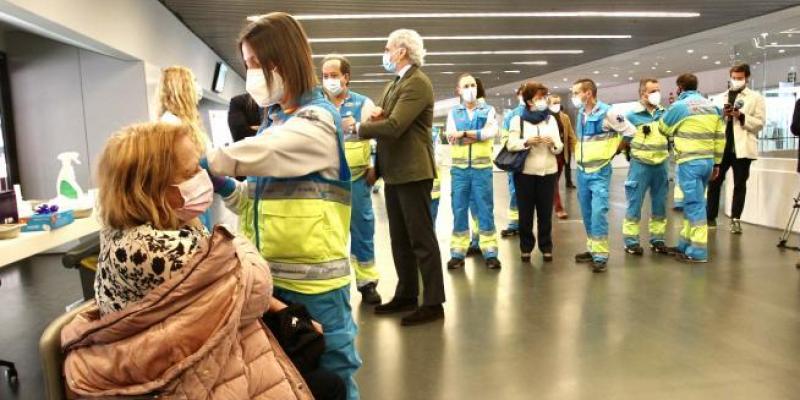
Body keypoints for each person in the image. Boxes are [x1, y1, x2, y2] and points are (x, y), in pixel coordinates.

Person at [62, 122, 344, 400]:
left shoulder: (150, 226)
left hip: (186, 352)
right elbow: (255, 289)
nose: (203, 177)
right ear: (151, 187)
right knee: (327, 385)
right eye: (191, 172)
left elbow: (236, 272)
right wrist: (239, 245)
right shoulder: (148, 250)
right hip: (172, 375)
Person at [205, 12, 361, 399]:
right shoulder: (272, 122)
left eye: (257, 63)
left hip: (316, 288)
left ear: (285, 59)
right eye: (247, 64)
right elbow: (252, 204)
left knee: (334, 380)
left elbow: (264, 151)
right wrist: (225, 185)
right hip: (272, 285)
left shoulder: (317, 120)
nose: (251, 73)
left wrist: (208, 159)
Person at [343, 28, 445, 326]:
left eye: (388, 49)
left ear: (401, 51)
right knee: (400, 239)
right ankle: (407, 294)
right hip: (395, 172)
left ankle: (433, 302)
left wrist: (357, 127)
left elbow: (395, 126)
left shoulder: (417, 83)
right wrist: (378, 166)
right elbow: (385, 120)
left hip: (414, 173)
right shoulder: (395, 84)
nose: (385, 54)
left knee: (421, 240)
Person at [321, 53, 382, 305]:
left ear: (346, 77)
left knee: (362, 231)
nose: (329, 80)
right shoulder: (316, 104)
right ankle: (333, 287)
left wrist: (376, 168)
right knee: (327, 234)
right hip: (324, 182)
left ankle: (367, 283)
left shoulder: (363, 103)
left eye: (334, 75)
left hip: (357, 180)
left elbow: (380, 135)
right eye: (325, 76)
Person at [571, 78, 637, 272]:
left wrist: (617, 149)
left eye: (576, 93)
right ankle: (592, 248)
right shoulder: (581, 113)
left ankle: (600, 255)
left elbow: (630, 131)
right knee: (587, 212)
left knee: (599, 211)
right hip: (582, 171)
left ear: (588, 93)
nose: (574, 97)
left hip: (599, 171)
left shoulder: (608, 112)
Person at [659, 73, 726, 263]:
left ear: (680, 87)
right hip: (707, 162)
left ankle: (698, 251)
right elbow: (720, 137)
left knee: (695, 205)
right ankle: (684, 244)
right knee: (692, 202)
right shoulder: (712, 106)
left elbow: (663, 128)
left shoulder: (679, 107)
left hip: (690, 162)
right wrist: (718, 163)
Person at [444, 73, 501, 270]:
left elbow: (490, 132)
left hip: (481, 169)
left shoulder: (488, 110)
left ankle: (490, 252)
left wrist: (466, 134)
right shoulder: (454, 113)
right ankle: (458, 252)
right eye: (466, 86)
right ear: (458, 91)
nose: (470, 89)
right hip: (459, 171)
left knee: (485, 209)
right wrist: (476, 136)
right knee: (459, 209)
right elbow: (451, 135)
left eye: (473, 85)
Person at [505, 82, 563, 263]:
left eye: (544, 97)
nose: (543, 101)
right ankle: (526, 247)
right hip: (525, 173)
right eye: (539, 97)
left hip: (548, 171)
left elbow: (560, 146)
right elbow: (510, 144)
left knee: (545, 213)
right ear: (529, 100)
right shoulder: (517, 120)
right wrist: (527, 141)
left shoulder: (551, 119)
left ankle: (546, 247)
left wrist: (552, 143)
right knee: (525, 213)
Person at [707, 63, 766, 234]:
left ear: (747, 78)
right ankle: (710, 217)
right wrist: (722, 115)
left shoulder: (756, 98)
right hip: (722, 147)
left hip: (742, 148)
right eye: (734, 77)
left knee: (740, 184)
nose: (737, 80)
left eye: (740, 78)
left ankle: (735, 219)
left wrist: (741, 116)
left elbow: (759, 124)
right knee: (715, 182)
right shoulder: (720, 97)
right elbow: (712, 121)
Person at [622, 78, 671, 255]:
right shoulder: (631, 115)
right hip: (640, 166)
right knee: (634, 203)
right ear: (643, 93)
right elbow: (624, 140)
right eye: (653, 91)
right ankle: (631, 241)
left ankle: (657, 239)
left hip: (661, 165)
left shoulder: (665, 113)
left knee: (660, 204)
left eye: (658, 90)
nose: (657, 93)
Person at [500, 84, 526, 238]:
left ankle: (525, 224)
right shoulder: (511, 116)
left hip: (533, 161)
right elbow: (505, 139)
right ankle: (514, 224)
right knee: (515, 193)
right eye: (522, 94)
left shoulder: (541, 114)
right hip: (515, 161)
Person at [549, 94, 576, 219]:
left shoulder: (564, 117)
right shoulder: (544, 118)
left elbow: (571, 135)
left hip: (562, 154)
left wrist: (576, 151)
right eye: (554, 102)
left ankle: (550, 199)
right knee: (553, 182)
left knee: (554, 181)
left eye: (558, 102)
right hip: (549, 155)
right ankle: (559, 207)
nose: (556, 105)